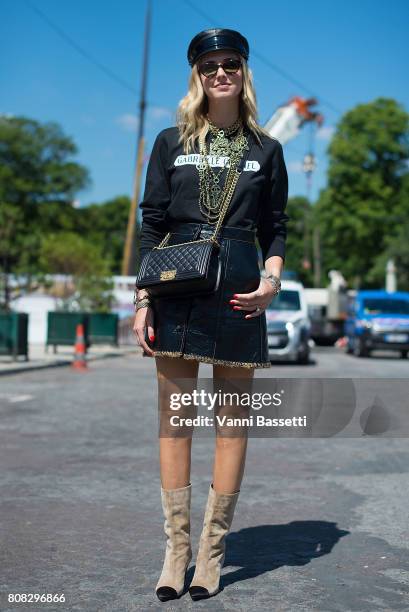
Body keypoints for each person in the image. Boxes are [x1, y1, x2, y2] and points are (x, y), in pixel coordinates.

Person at [133, 28, 289, 601]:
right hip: (176, 290)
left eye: (230, 63)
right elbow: (152, 224)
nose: (220, 72)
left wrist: (271, 282)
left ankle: (212, 552)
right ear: (196, 75)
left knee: (230, 427)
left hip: (241, 295)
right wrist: (143, 299)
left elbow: (276, 227)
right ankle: (175, 551)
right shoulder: (170, 142)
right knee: (175, 425)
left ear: (244, 72)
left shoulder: (266, 149)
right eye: (209, 65)